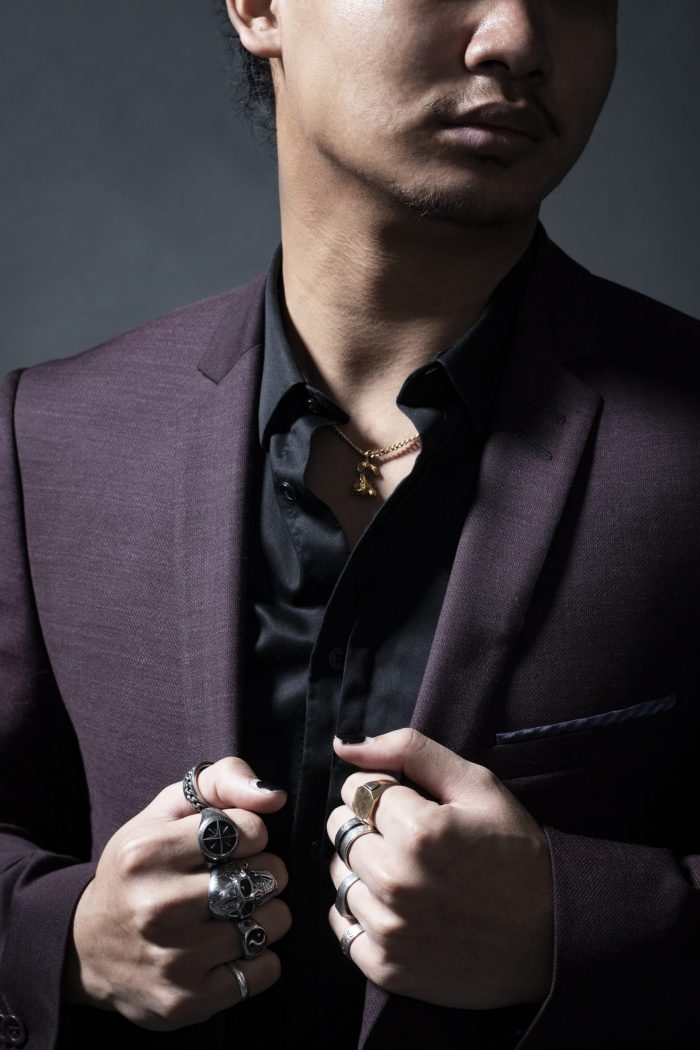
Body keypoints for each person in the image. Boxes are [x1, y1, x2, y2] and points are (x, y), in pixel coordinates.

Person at [0, 1, 698, 1048]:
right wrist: (67, 940)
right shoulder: (48, 436)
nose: (518, 39)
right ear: (259, 8)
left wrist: (576, 930)